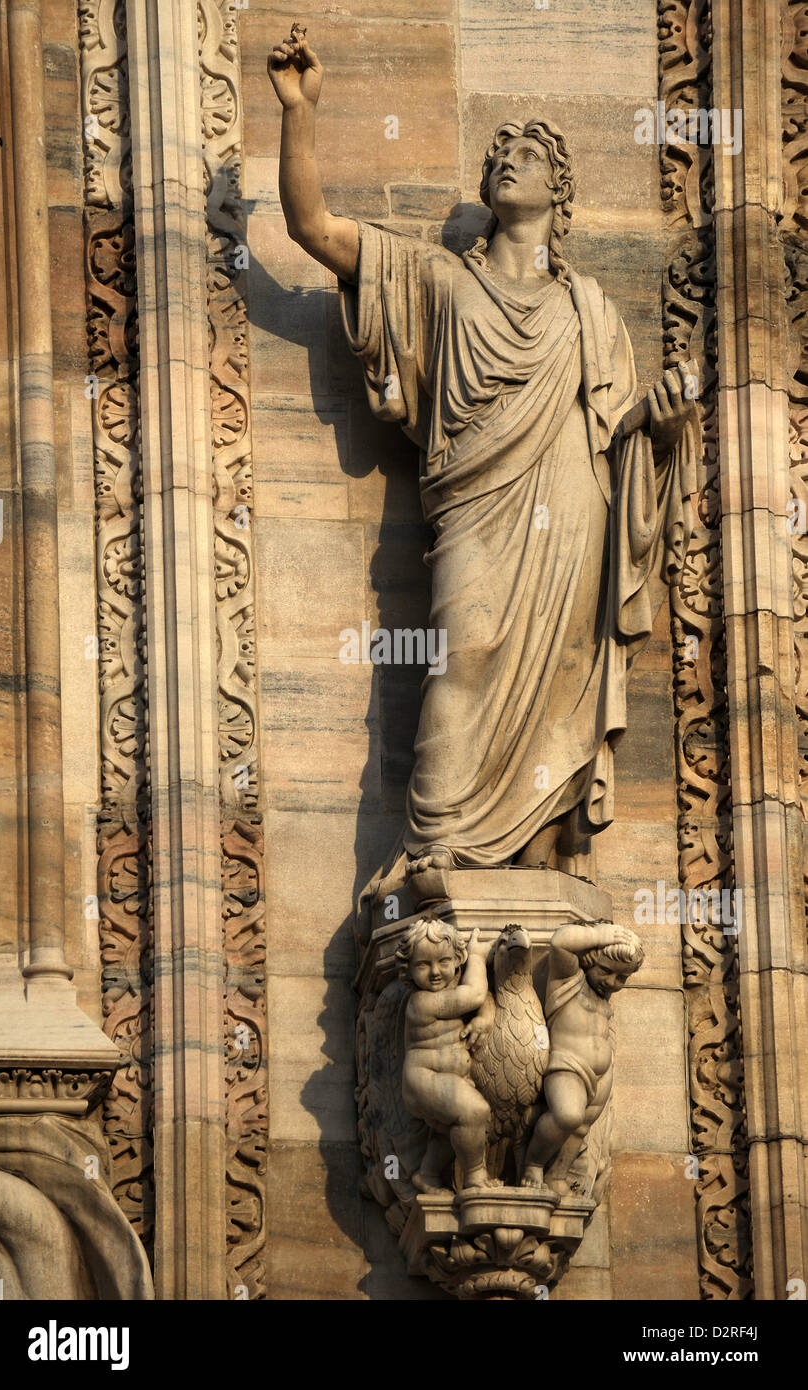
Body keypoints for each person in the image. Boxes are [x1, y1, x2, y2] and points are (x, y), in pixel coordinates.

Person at [267, 33, 700, 896]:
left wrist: (658, 421)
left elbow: (614, 432)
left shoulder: (589, 308)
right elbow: (310, 227)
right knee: (461, 655)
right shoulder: (435, 278)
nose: (509, 159)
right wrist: (300, 113)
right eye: (499, 152)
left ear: (559, 189)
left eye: (530, 153)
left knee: (557, 676)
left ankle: (532, 858)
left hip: (571, 513)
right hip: (477, 506)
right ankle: (436, 845)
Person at [521, 922, 644, 1188]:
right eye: (606, 972)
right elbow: (560, 942)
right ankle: (533, 1164)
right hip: (568, 1066)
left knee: (581, 1126)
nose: (612, 983)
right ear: (588, 960)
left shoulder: (603, 993)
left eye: (621, 978)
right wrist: (598, 935)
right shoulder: (568, 979)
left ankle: (557, 1175)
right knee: (567, 1116)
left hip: (601, 1071)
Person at [395, 919, 496, 1192]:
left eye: (443, 961)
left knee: (448, 1130)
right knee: (475, 1112)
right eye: (423, 965)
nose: (435, 972)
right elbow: (475, 994)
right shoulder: (421, 1002)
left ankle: (426, 1174)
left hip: (447, 1078)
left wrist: (485, 1019)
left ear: (456, 959)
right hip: (424, 1078)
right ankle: (475, 1176)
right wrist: (477, 957)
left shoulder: (450, 993)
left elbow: (482, 1001)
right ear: (408, 968)